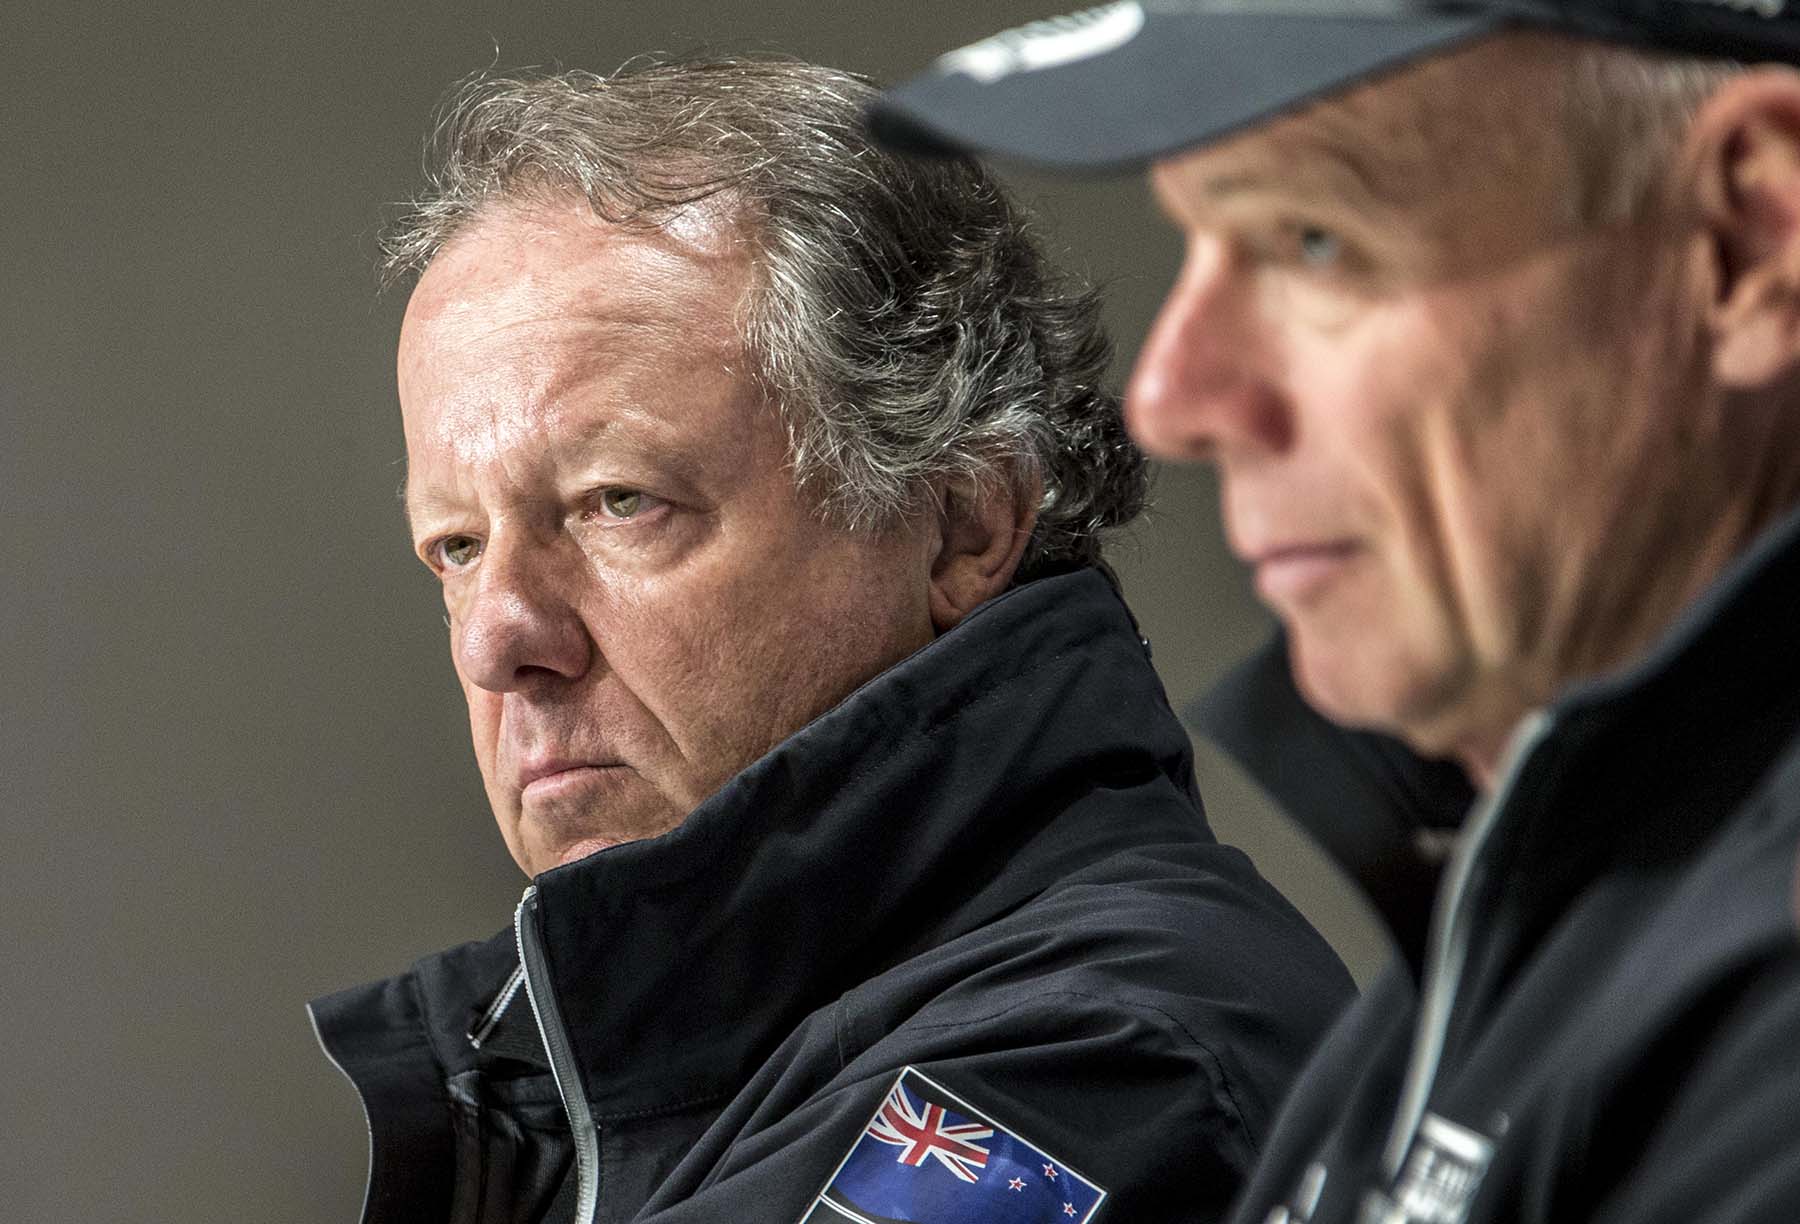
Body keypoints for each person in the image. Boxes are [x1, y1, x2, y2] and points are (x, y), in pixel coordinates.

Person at [307, 55, 1354, 1224]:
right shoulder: (630, 1077)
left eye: (618, 503)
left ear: (961, 524)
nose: (496, 640)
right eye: (455, 546)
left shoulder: (1100, 1064)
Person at [872, 3, 1800, 1221]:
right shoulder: (1526, 908)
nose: (1171, 398)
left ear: (1745, 242)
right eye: (1197, 240)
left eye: (1313, 239)